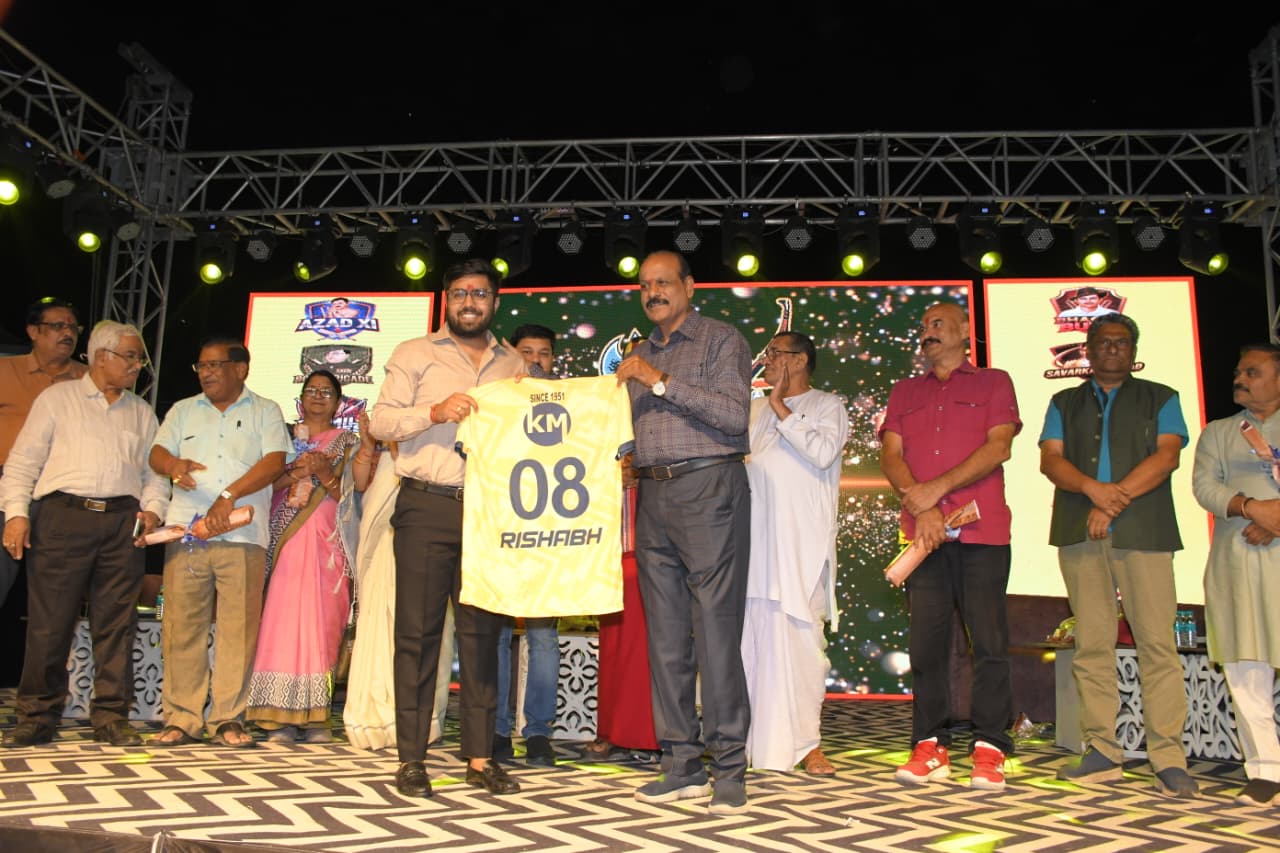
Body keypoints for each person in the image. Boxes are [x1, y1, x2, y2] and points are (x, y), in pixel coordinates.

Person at [368, 258, 523, 797]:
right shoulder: (414, 352)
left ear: (494, 302)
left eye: (479, 293)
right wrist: (433, 412)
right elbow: (380, 422)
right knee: (417, 635)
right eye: (459, 293)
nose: (469, 302)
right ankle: (412, 758)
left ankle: (480, 758)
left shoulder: (514, 364)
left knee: (483, 637)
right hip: (426, 505)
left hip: (489, 512)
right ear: (446, 300)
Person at [614, 249, 753, 815]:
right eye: (645, 285)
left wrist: (659, 381)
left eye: (663, 283)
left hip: (709, 489)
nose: (653, 293)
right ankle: (681, 764)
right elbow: (627, 428)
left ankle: (730, 767)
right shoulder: (638, 354)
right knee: (666, 637)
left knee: (715, 632)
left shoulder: (721, 340)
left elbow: (735, 416)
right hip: (653, 495)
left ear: (689, 287)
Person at [1039, 312, 1198, 798]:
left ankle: (1168, 758)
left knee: (1157, 645)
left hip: (1145, 533)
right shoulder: (1063, 401)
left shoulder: (1161, 397)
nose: (1113, 348)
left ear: (1134, 351)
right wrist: (1094, 491)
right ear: (1087, 350)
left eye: (1122, 342)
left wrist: (1112, 501)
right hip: (1079, 532)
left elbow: (1167, 457)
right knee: (1092, 644)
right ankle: (1103, 752)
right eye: (1104, 342)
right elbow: (1050, 460)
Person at [0, 320, 167, 747]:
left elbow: (155, 475)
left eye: (139, 358)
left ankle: (111, 716)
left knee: (118, 624)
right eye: (130, 356)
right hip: (62, 517)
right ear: (101, 357)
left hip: (122, 523)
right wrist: (16, 515)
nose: (137, 365)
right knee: (49, 623)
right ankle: (37, 715)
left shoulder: (141, 412)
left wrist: (152, 510)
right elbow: (22, 463)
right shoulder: (57, 399)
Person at [878, 301, 1020, 791]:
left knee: (990, 643)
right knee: (927, 645)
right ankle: (930, 745)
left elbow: (999, 447)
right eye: (924, 325)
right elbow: (891, 456)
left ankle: (990, 747)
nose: (928, 331)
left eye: (938, 323)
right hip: (924, 537)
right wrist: (924, 509)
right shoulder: (905, 390)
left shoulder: (994, 382)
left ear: (965, 331)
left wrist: (934, 492)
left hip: (984, 534)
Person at [147, 337, 290, 748]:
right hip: (186, 533)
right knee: (181, 626)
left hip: (243, 535)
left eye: (214, 365)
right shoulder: (183, 410)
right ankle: (182, 718)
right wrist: (173, 464)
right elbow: (157, 453)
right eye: (201, 366)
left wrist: (229, 496)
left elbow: (274, 463)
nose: (206, 373)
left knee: (237, 630)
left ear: (240, 369)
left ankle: (228, 718)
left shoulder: (265, 410)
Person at [742, 331, 849, 775]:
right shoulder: (751, 411)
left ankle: (807, 744)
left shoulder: (828, 406)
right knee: (751, 647)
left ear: (800, 360)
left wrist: (781, 405)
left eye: (775, 354)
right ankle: (749, 743)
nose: (766, 360)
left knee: (804, 651)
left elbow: (822, 453)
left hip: (802, 551)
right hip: (755, 550)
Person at [246, 369, 373, 743]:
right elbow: (263, 486)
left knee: (322, 625)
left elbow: (354, 498)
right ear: (300, 399)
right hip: (284, 544)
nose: (318, 396)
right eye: (311, 390)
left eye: (326, 391)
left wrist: (325, 473)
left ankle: (316, 717)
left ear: (339, 403)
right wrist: (294, 473)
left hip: (327, 546)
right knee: (281, 624)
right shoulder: (281, 440)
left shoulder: (348, 443)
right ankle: (276, 718)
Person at [1191, 343, 1280, 806]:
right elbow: (1205, 487)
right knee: (1246, 668)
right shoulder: (1219, 432)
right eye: (1239, 372)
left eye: (1253, 372)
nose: (1239, 379)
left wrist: (1276, 517)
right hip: (1238, 559)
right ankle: (1266, 770)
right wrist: (1252, 508)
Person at [492, 323, 561, 767]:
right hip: (500, 529)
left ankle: (538, 732)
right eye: (527, 352)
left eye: (544, 353)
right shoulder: (496, 399)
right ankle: (497, 729)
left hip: (551, 532)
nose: (536, 360)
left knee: (543, 638)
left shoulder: (572, 402)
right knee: (496, 635)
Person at [0, 297, 87, 606]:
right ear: (33, 331)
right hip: (7, 485)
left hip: (63, 492)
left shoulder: (89, 380)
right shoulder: (5, 371)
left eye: (73, 327)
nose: (68, 333)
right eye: (58, 326)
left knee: (56, 593)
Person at [580, 452, 661, 762]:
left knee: (643, 650)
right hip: (609, 548)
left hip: (650, 548)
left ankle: (648, 737)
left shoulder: (653, 427)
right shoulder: (601, 428)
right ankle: (612, 732)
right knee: (613, 648)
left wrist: (638, 469)